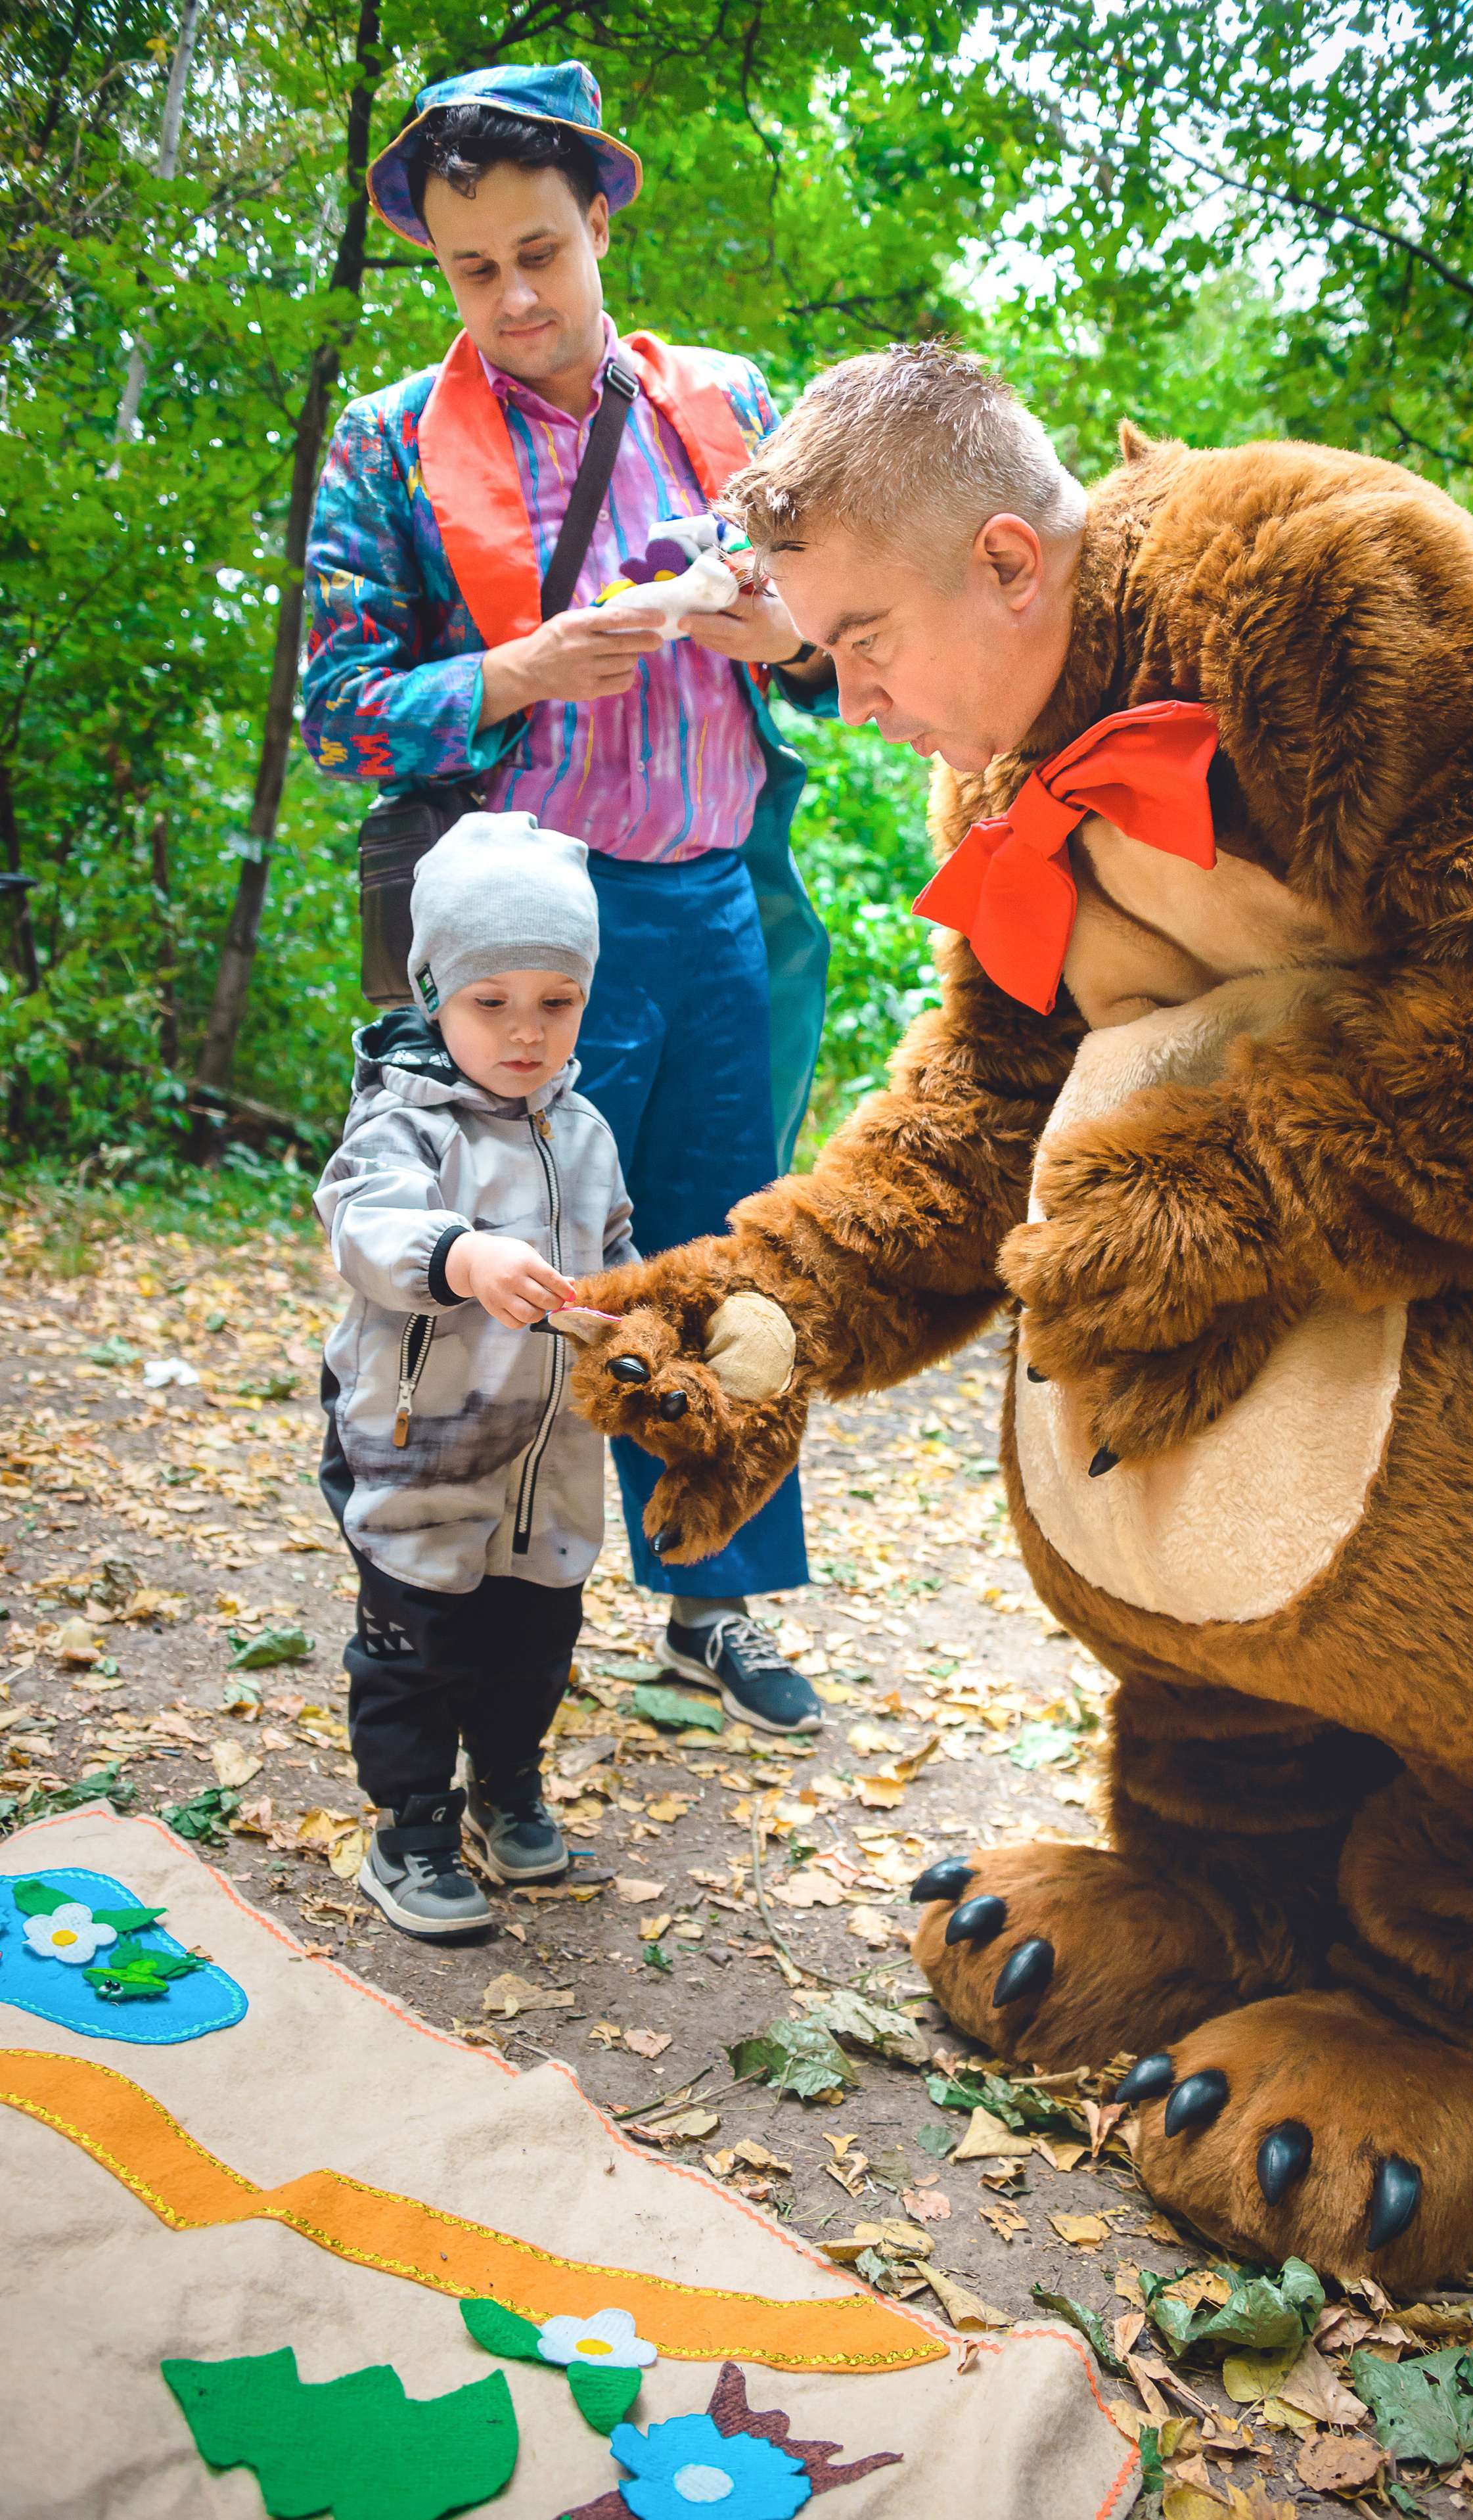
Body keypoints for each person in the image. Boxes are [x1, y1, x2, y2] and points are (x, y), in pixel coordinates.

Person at [556, 343, 1473, 2293]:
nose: (847, 688)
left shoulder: (1325, 579)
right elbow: (975, 1111)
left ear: (1009, 559)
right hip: (1278, 1373)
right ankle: (1222, 1898)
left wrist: (1237, 1193)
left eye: (862, 635)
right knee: (1221, 1697)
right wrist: (775, 1299)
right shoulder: (1003, 772)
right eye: (819, 649)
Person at [303, 60, 831, 1735]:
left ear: (600, 220)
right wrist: (516, 669)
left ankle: (720, 1599)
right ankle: (448, 1602)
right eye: (474, 270)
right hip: (516, 948)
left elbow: (851, 650)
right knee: (498, 1282)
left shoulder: (734, 406)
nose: (516, 297)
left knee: (720, 1256)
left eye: (542, 250)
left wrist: (791, 640)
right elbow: (335, 708)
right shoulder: (389, 447)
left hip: (713, 902)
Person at [314, 813, 628, 1939]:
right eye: (491, 1003)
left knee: (533, 1644)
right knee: (419, 1653)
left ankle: (507, 1788)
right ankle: (408, 1826)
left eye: (558, 1002)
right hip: (422, 1451)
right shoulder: (402, 1121)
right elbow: (363, 1223)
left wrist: (632, 1325)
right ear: (436, 993)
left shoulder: (585, 1133)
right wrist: (460, 1254)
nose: (527, 1032)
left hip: (546, 1467)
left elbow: (619, 1255)